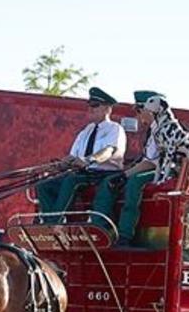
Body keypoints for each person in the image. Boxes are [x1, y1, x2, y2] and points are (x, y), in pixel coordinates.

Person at [92, 90, 189, 246]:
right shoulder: (153, 130)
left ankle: (125, 235)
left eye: (139, 111)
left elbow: (154, 162)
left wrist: (127, 176)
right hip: (157, 168)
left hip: (171, 171)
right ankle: (101, 229)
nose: (138, 116)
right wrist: (122, 175)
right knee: (110, 181)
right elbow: (149, 160)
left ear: (150, 110)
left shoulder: (168, 127)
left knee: (134, 182)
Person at [35, 87, 126, 223]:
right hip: (84, 172)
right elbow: (73, 156)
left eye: (95, 105)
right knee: (43, 184)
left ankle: (55, 222)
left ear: (108, 109)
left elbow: (109, 150)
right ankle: (48, 219)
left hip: (103, 173)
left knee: (71, 180)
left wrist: (89, 160)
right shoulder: (86, 130)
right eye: (89, 105)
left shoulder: (115, 129)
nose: (90, 109)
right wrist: (59, 165)